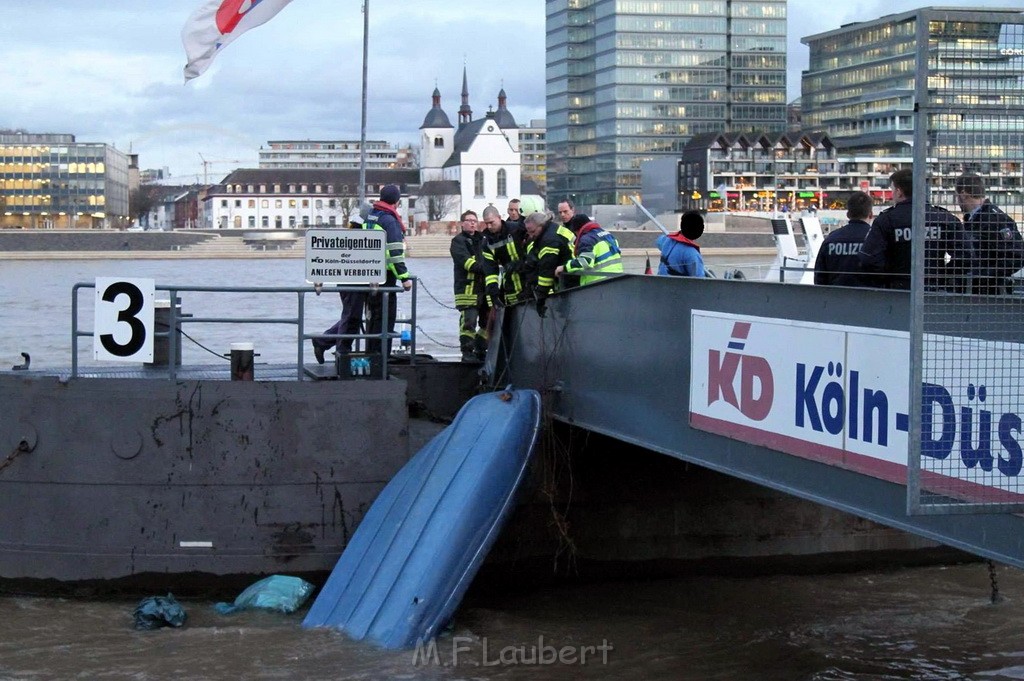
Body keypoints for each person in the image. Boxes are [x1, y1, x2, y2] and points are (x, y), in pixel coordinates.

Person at [859, 168, 973, 291]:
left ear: (899, 192)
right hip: (934, 290)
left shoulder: (886, 220)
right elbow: (966, 255)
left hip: (898, 290)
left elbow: (868, 258)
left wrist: (888, 277)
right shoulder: (945, 219)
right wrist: (944, 277)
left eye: (892, 190)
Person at [311, 205, 372, 364]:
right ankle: (341, 352)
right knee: (352, 317)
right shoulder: (362, 231)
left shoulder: (352, 230)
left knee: (353, 317)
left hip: (352, 278)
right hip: (354, 280)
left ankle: (324, 342)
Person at [955, 172, 1024, 295]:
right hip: (976, 293)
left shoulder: (995, 220)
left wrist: (984, 275)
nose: (957, 202)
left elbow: (1017, 257)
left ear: (964, 194)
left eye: (957, 196)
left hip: (991, 294)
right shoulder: (974, 220)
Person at [364, 184, 412, 357]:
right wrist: (405, 278)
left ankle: (372, 353)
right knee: (386, 317)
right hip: (386, 276)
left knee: (374, 317)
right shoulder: (390, 220)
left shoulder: (371, 216)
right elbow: (395, 253)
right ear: (397, 202)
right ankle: (382, 356)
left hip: (370, 274)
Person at [450, 210, 488, 362]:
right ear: (462, 223)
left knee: (487, 322)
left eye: (474, 220)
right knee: (469, 322)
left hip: (485, 290)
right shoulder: (458, 241)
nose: (472, 222)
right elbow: (465, 262)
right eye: (469, 220)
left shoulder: (483, 239)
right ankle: (467, 352)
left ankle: (481, 349)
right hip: (467, 290)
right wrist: (486, 268)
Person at [813, 192, 873, 287]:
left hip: (835, 298)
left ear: (848, 214)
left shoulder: (831, 239)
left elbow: (819, 278)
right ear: (870, 215)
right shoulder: (877, 239)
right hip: (869, 298)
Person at [523, 209, 574, 318]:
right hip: (570, 273)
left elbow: (547, 270)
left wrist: (540, 298)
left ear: (541, 226)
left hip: (569, 280)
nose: (530, 235)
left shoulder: (549, 240)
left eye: (532, 231)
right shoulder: (554, 228)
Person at [480, 205, 528, 307]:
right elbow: (490, 270)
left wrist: (522, 262)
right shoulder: (487, 242)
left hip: (528, 281)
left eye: (491, 222)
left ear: (499, 217)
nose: (489, 226)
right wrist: (493, 293)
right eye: (486, 223)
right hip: (511, 286)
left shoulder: (516, 228)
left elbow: (533, 247)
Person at [556, 215, 624, 286]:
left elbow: (585, 262)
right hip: (616, 280)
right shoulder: (608, 235)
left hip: (598, 284)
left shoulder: (587, 239)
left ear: (577, 230)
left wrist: (564, 268)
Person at [656, 210, 706, 277]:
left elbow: (658, 241)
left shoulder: (667, 240)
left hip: (660, 283)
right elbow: (700, 281)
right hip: (678, 286)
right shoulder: (692, 254)